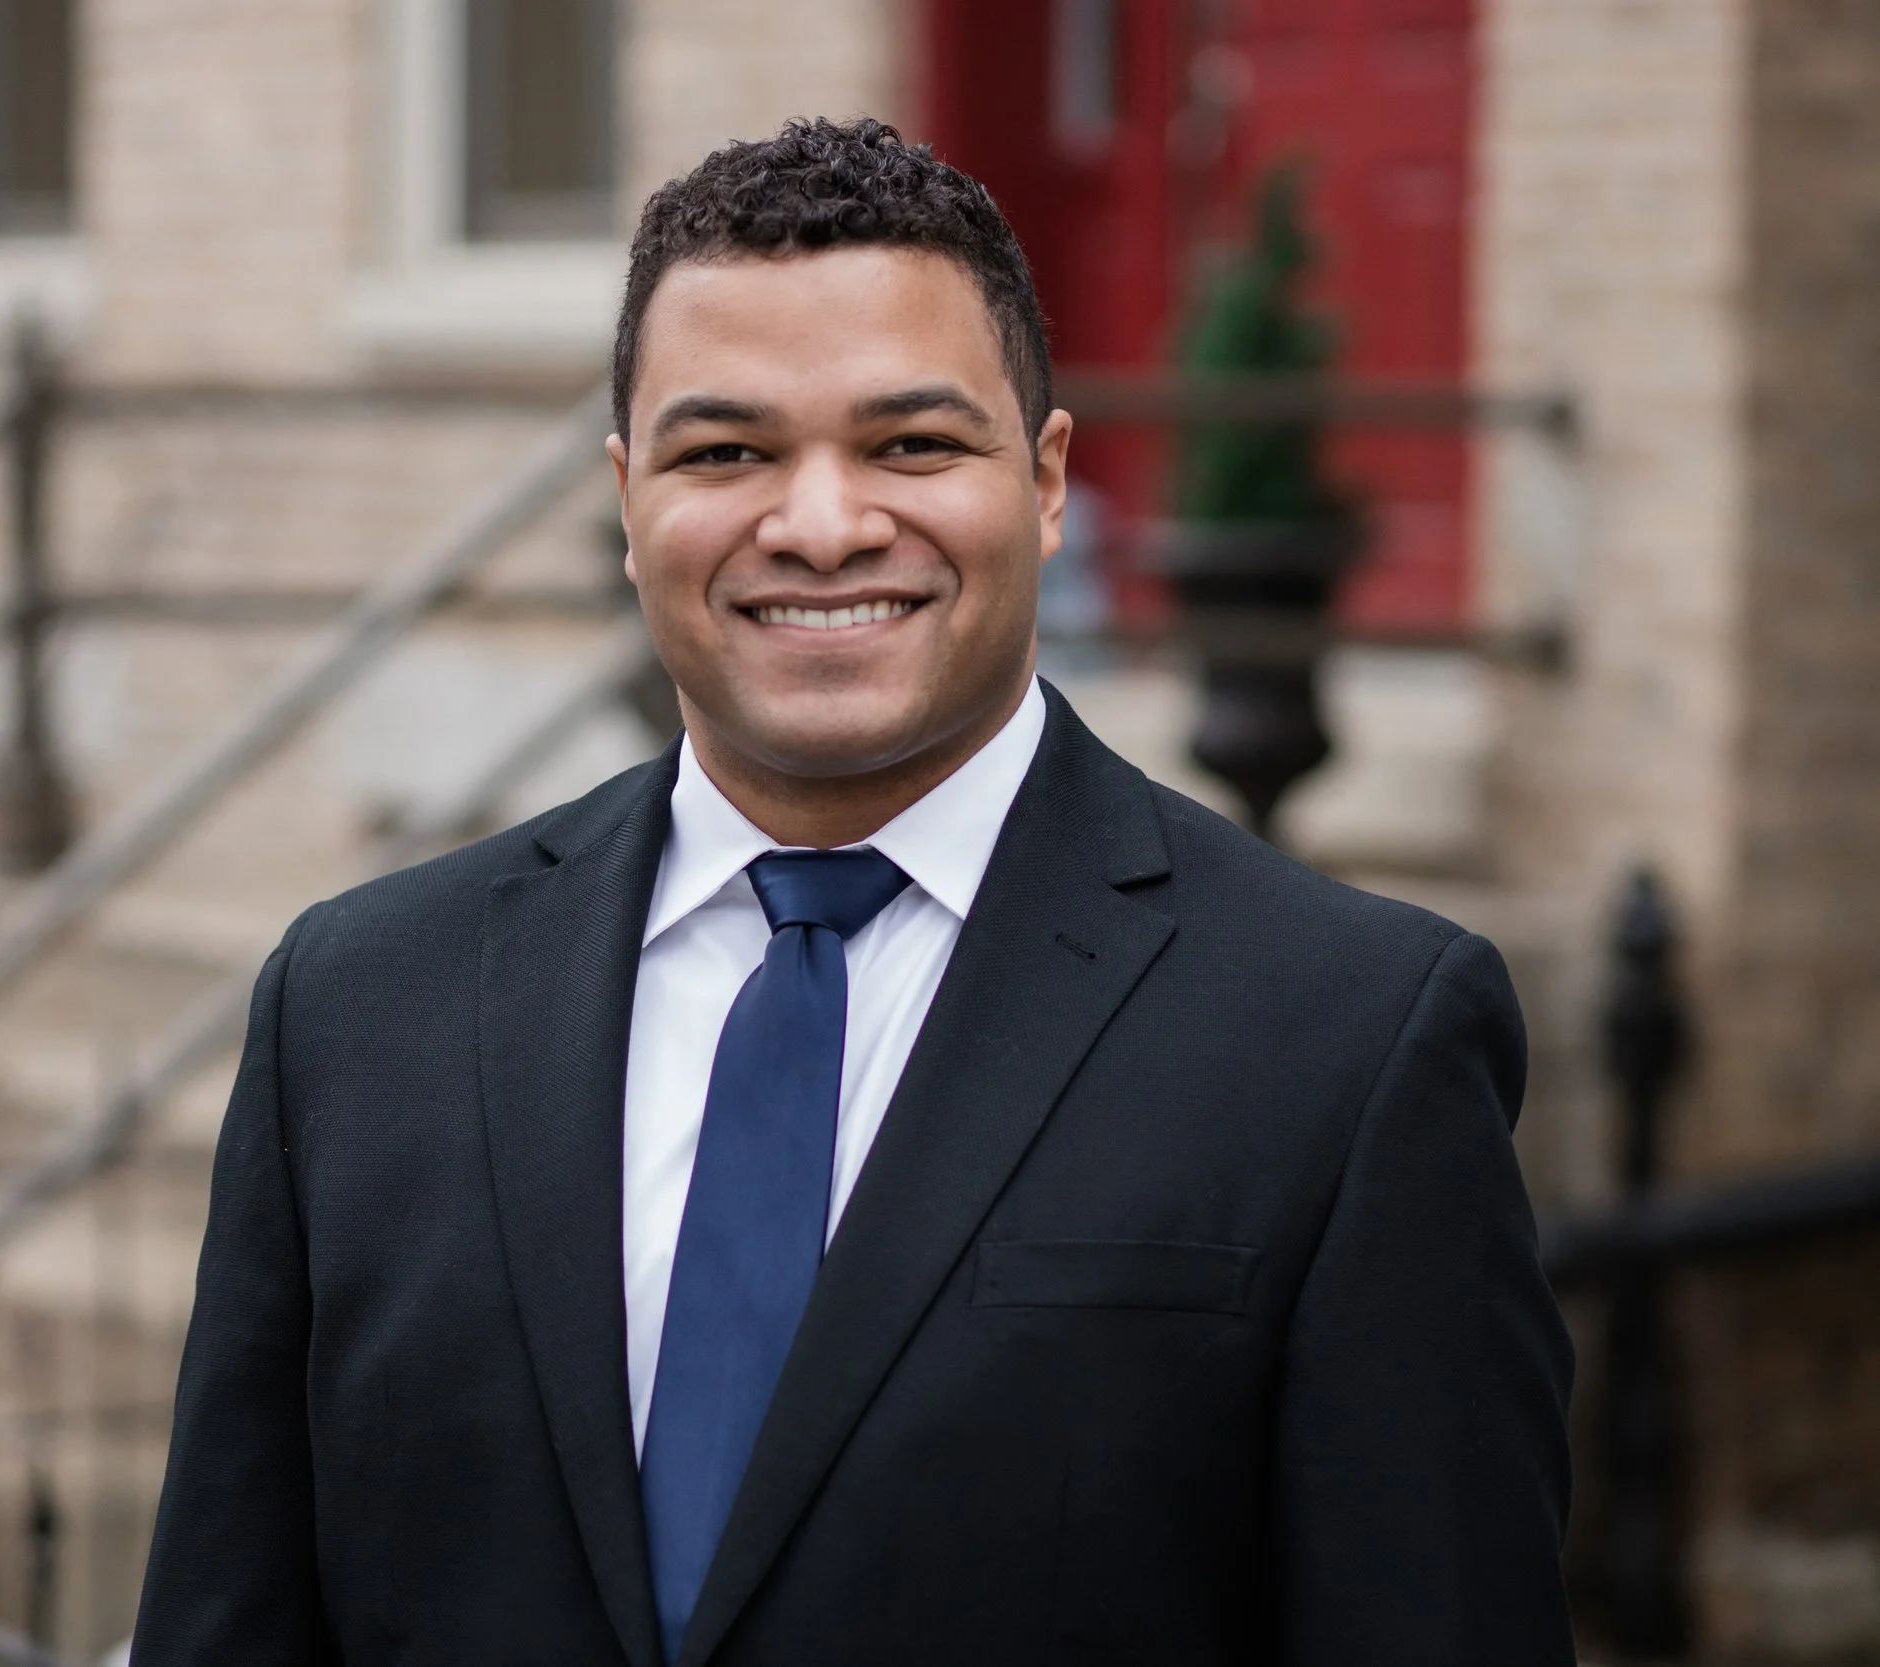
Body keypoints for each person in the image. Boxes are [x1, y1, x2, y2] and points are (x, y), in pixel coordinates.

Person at [131, 117, 1574, 1666]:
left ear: (1047, 481)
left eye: (910, 444)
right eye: (726, 451)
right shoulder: (355, 1011)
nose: (820, 525)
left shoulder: (1350, 1042)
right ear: (628, 501)